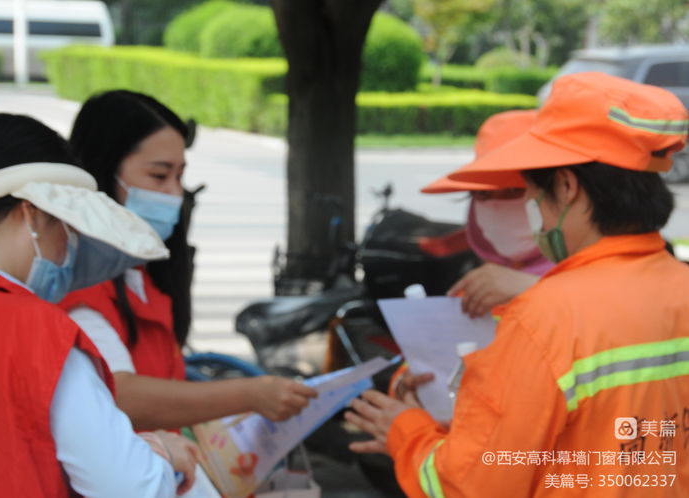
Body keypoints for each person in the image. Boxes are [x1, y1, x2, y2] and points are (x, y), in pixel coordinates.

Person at [346, 72, 689, 496]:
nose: (530, 210)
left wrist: (406, 432)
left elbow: (469, 485)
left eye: (527, 193)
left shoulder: (543, 318)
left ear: (565, 186)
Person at [0, 113, 201, 496]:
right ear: (31, 212)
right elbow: (128, 486)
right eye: (67, 227)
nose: (70, 248)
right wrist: (161, 451)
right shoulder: (39, 332)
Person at [61, 90, 317, 432]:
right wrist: (251, 394)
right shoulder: (80, 286)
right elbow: (120, 394)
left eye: (180, 176)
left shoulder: (141, 274)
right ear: (102, 173)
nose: (174, 194)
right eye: (158, 175)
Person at [391, 109, 552, 399]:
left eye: (514, 191)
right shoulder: (477, 288)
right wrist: (406, 386)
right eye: (484, 195)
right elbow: (418, 365)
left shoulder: (594, 276)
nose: (497, 207)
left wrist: (536, 291)